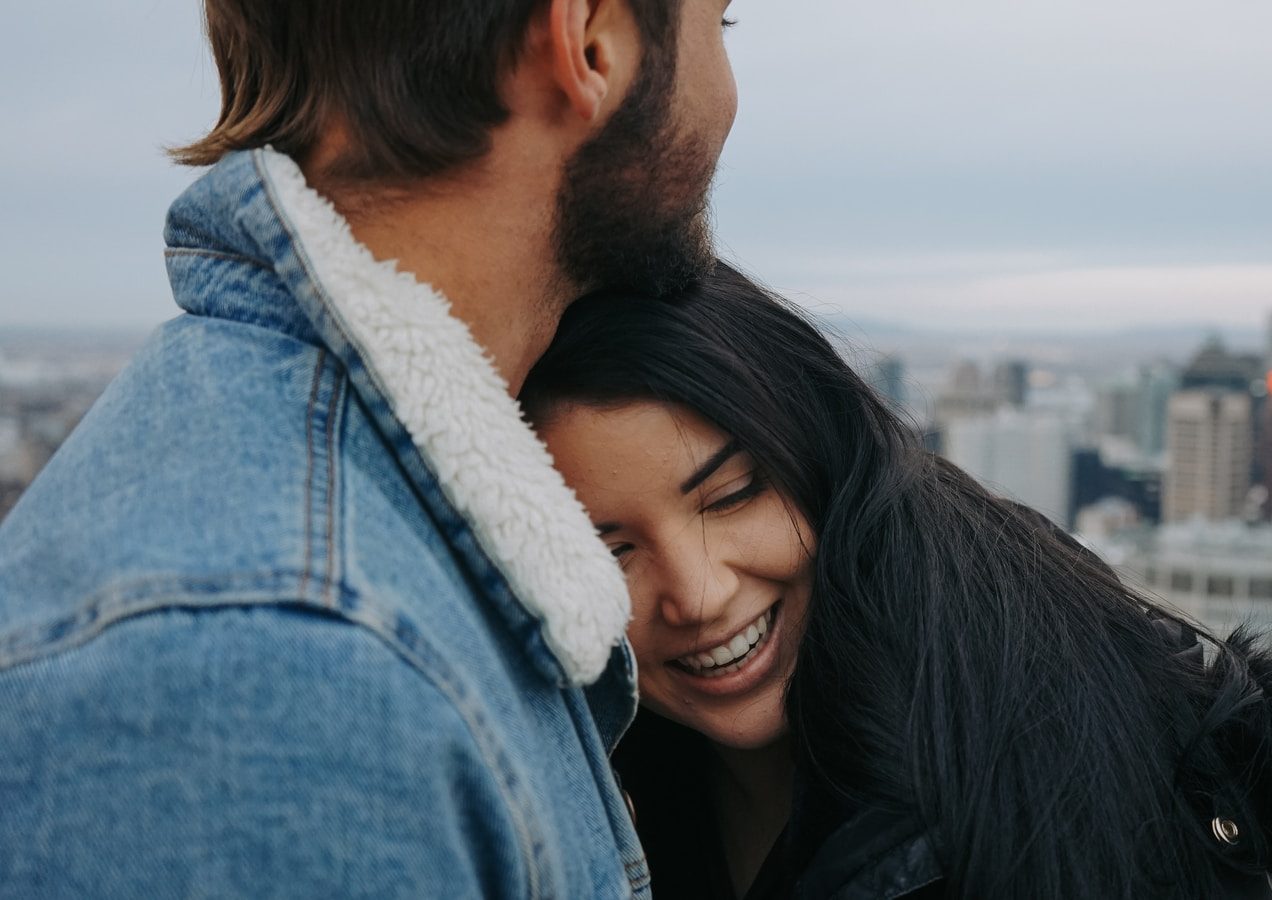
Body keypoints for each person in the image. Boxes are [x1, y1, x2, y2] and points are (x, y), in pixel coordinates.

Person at [0, 1, 738, 895]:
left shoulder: (336, 575)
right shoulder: (280, 674)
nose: (728, 94)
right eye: (721, 25)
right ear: (588, 42)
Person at [521, 263, 1272, 899]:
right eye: (608, 550)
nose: (700, 594)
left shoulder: (1066, 763)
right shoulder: (591, 780)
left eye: (732, 497)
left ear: (825, 464)